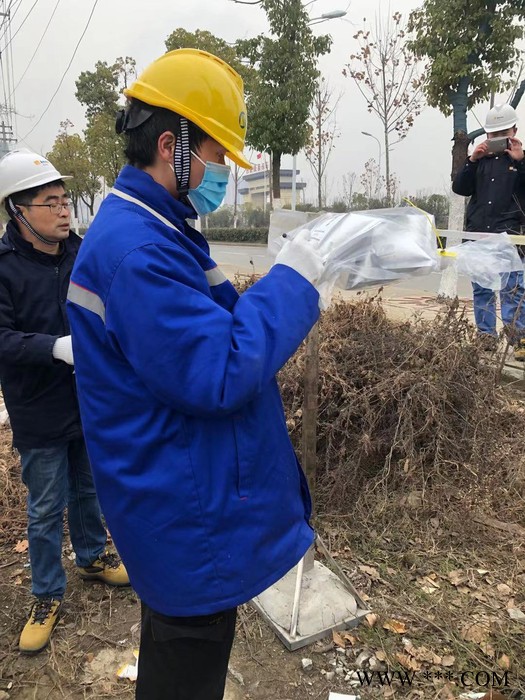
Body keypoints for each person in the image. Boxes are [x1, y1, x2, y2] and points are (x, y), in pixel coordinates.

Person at [67, 49, 326, 700]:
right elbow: (217, 371)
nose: (220, 173)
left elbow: (218, 329)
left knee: (180, 643)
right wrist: (295, 281)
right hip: (185, 510)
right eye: (215, 155)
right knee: (189, 656)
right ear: (170, 146)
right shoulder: (140, 249)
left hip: (182, 495)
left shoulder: (158, 228)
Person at [0, 150, 129, 655]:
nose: (63, 211)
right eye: (50, 202)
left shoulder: (82, 254)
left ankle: (93, 556)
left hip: (87, 400)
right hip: (37, 406)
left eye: (64, 200)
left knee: (87, 487)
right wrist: (51, 346)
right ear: (19, 211)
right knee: (46, 504)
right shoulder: (5, 269)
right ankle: (47, 593)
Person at [452, 103, 525, 358]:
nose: (497, 139)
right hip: (479, 233)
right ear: (486, 135)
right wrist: (472, 160)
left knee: (513, 289)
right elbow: (460, 188)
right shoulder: (479, 162)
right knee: (482, 289)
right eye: (493, 134)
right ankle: (485, 337)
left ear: (514, 130)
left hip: (509, 236)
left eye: (503, 133)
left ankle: (519, 340)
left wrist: (521, 161)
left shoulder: (520, 161)